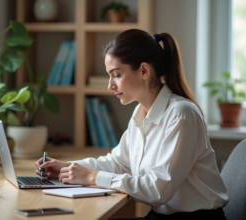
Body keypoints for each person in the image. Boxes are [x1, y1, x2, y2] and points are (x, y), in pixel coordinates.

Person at [35, 29, 229, 220]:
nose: (110, 85)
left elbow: (157, 190)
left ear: (144, 71)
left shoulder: (181, 115)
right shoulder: (140, 112)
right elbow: (118, 162)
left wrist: (93, 177)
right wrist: (67, 168)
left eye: (116, 75)